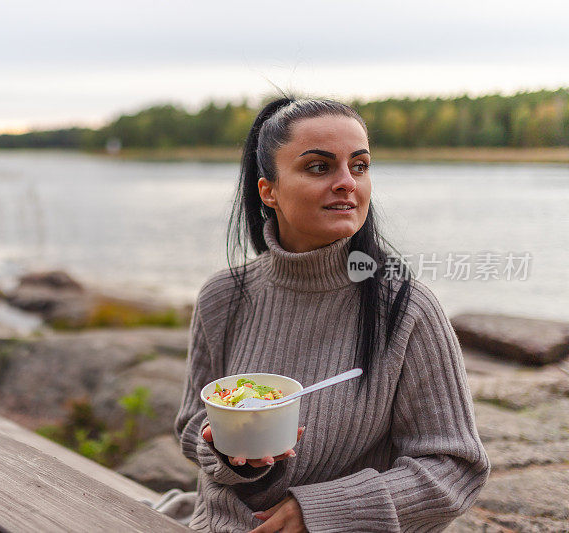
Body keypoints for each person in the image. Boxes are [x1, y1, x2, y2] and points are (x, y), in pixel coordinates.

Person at [174, 98, 490, 532]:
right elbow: (194, 424)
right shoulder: (222, 296)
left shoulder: (407, 307)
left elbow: (455, 468)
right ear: (268, 191)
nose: (347, 183)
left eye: (359, 166)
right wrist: (233, 456)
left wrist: (323, 512)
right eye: (319, 167)